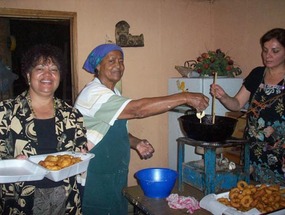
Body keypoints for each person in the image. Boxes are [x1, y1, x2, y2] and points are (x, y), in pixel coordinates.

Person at [74, 43, 209, 214]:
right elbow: (138, 110)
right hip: (95, 175)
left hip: (114, 172)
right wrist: (185, 97)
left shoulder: (113, 93)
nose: (118, 65)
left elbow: (112, 130)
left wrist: (136, 143)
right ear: (98, 66)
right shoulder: (92, 93)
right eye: (111, 60)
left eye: (121, 61)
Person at [0, 44, 88, 215]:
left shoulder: (72, 114)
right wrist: (12, 162)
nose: (48, 74)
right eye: (40, 68)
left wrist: (83, 154)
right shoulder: (5, 112)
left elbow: (80, 151)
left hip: (66, 196)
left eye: (54, 69)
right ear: (28, 75)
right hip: (21, 198)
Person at [210, 28, 285, 185]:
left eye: (275, 51)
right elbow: (236, 104)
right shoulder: (257, 74)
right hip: (253, 148)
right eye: (265, 50)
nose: (268, 55)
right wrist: (223, 96)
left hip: (281, 151)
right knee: (254, 194)